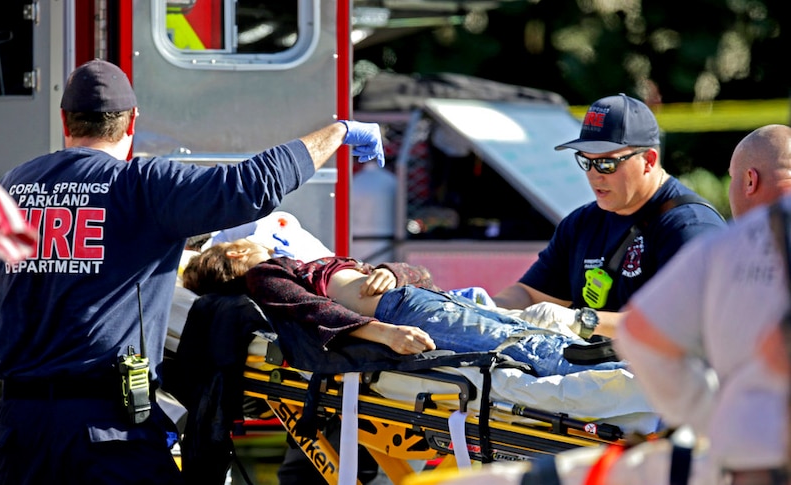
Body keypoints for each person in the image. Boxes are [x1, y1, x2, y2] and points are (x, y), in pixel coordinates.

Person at [0, 58, 385, 485]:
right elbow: (250, 185)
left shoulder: (15, 185)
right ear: (131, 122)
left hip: (22, 430)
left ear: (64, 119)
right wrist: (340, 131)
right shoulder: (140, 186)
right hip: (107, 436)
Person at [615, 125, 791, 484]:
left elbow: (637, 331)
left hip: (756, 461)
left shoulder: (722, 250)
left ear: (749, 181)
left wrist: (711, 415)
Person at [182, 238, 626, 378]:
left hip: (420, 299)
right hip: (406, 314)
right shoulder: (265, 275)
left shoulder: (299, 266)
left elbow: (420, 275)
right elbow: (315, 311)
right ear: (236, 258)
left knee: (533, 337)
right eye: (240, 243)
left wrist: (393, 271)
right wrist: (385, 333)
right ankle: (625, 377)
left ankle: (621, 364)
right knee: (522, 347)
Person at [492, 93, 726, 338]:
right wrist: (489, 307)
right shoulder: (581, 224)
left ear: (649, 160)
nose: (594, 175)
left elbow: (680, 323)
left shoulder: (690, 226)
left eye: (607, 164)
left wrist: (584, 321)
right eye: (586, 161)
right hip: (595, 373)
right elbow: (529, 294)